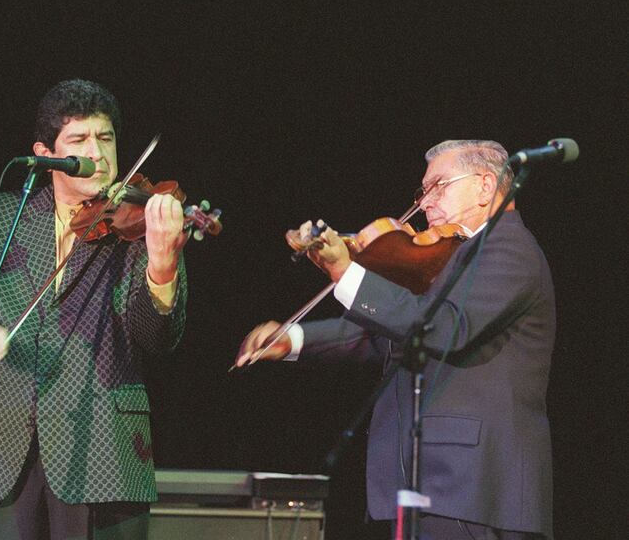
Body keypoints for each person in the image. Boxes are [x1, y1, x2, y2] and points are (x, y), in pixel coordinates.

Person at [0, 79, 189, 539]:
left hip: (102, 455)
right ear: (45, 153)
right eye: (79, 140)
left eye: (106, 138)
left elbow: (157, 338)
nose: (97, 152)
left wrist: (161, 264)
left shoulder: (141, 226)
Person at [235, 140, 554, 539]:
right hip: (430, 484)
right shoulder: (454, 255)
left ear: (486, 186)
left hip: (470, 486)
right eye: (423, 191)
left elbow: (444, 328)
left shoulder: (508, 248)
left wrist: (346, 273)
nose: (425, 204)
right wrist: (294, 339)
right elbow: (389, 335)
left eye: (439, 186)